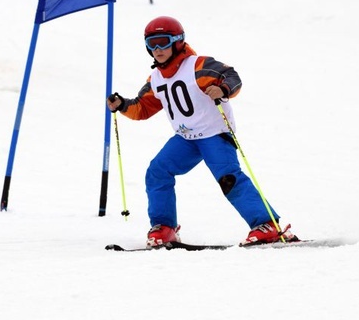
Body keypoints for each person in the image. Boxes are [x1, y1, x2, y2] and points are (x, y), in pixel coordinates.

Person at [107, 16, 298, 247]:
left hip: (214, 134)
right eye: (151, 44)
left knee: (228, 178)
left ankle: (267, 226)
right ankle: (164, 227)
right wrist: (123, 105)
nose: (157, 50)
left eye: (163, 42)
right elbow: (143, 107)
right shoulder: (156, 78)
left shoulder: (198, 66)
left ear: (177, 42)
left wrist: (222, 88)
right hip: (186, 138)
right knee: (157, 171)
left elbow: (231, 76)